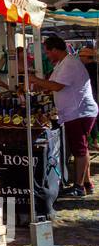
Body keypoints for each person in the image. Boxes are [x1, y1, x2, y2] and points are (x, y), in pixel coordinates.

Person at [33, 34, 98, 197]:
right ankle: (86, 183)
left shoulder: (69, 64)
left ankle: (78, 187)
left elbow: (57, 86)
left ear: (55, 50)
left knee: (80, 150)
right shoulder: (63, 63)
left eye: (47, 52)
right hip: (76, 112)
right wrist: (40, 85)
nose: (47, 55)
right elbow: (53, 84)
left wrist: (34, 80)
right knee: (81, 148)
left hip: (78, 112)